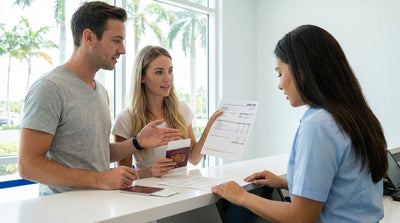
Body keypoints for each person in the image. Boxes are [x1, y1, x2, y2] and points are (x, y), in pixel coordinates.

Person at [212, 24, 388, 222]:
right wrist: (285, 182)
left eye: (280, 73)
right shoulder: (357, 116)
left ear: (302, 70)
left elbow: (300, 217)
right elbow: (345, 185)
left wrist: (242, 197)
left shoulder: (318, 125)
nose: (279, 85)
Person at [18, 1, 182, 196]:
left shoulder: (101, 91)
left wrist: (137, 142)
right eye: (116, 40)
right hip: (62, 211)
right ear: (89, 37)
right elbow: (28, 166)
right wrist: (100, 179)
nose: (123, 50)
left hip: (99, 206)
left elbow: (99, 153)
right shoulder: (49, 88)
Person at [112, 45, 222, 178]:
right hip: (148, 194)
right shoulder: (126, 119)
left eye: (170, 71)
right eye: (159, 72)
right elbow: (124, 177)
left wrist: (209, 129)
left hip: (182, 189)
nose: (167, 78)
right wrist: (149, 172)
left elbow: (194, 159)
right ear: (142, 77)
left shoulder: (181, 110)